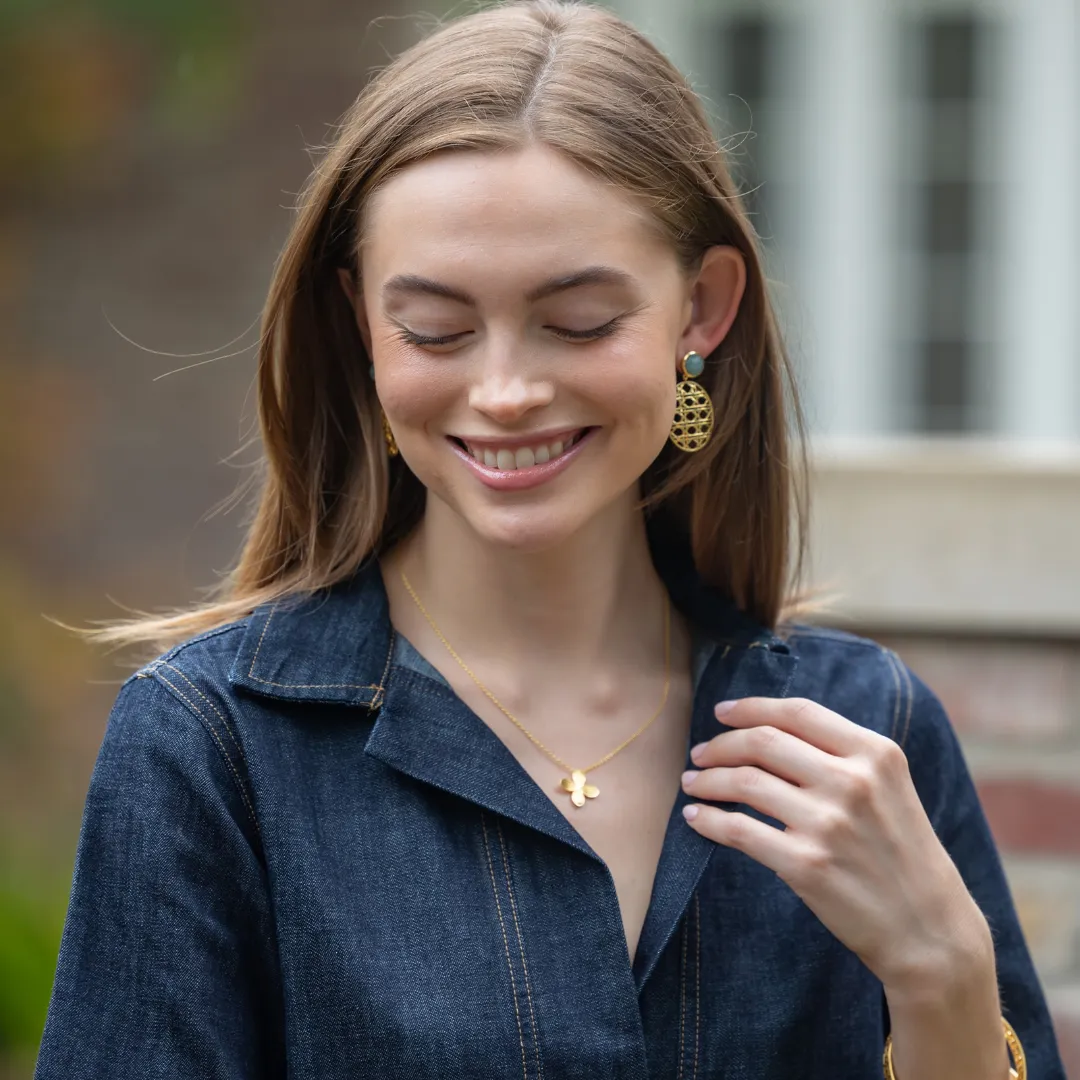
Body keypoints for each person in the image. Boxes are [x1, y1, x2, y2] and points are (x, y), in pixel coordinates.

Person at [34, 2, 1064, 1077]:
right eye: (435, 329)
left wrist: (943, 976)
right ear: (360, 328)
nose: (508, 390)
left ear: (702, 310)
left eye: (579, 322)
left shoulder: (866, 735)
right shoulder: (215, 749)